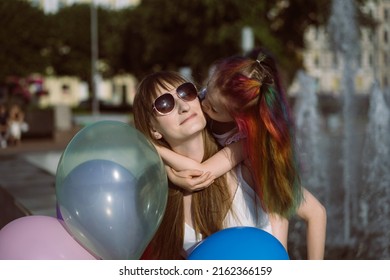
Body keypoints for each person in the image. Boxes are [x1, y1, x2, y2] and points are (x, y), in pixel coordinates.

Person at [155, 51, 327, 259]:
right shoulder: (211, 100)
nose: (203, 103)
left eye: (215, 109)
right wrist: (165, 168)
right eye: (206, 90)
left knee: (279, 223)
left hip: (263, 228)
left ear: (240, 120)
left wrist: (154, 149)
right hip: (238, 240)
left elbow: (201, 171)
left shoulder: (245, 144)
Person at [132, 71, 286, 259]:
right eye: (164, 104)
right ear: (153, 129)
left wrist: (153, 148)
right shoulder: (157, 197)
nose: (183, 106)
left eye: (186, 92)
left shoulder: (247, 160)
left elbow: (302, 210)